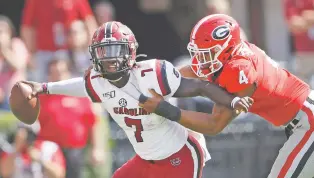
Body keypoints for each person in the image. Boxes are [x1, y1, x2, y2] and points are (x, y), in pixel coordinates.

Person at [20, 21, 253, 178]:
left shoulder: (152, 75)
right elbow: (77, 85)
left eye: (115, 50)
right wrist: (42, 87)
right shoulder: (98, 81)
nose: (109, 59)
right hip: (146, 159)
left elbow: (200, 86)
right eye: (104, 51)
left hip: (179, 155)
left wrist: (231, 101)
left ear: (129, 51)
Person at [139, 14, 314, 178]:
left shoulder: (238, 69)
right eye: (199, 53)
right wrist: (158, 80)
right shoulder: (230, 55)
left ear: (226, 49)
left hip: (308, 122)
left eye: (206, 53)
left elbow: (214, 124)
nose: (201, 59)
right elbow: (196, 68)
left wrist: (164, 109)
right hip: (301, 119)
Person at [0, 124, 65, 178]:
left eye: (29, 132)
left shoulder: (49, 148)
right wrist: (16, 149)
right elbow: (4, 173)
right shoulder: (10, 150)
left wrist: (40, 159)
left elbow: (59, 175)